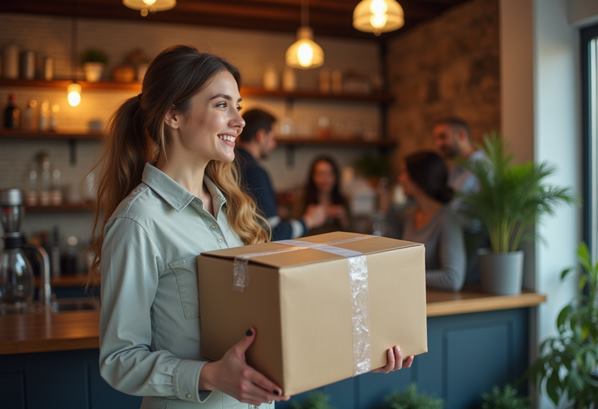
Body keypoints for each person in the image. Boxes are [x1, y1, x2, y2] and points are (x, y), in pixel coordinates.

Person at [92, 45, 412, 409]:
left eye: (238, 106)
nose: (239, 121)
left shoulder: (235, 212)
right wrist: (209, 375)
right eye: (221, 105)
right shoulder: (139, 221)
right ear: (173, 115)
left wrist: (362, 348)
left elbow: (273, 327)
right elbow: (118, 360)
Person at [236, 108, 326, 240]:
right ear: (260, 136)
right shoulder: (255, 171)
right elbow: (273, 234)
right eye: (272, 138)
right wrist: (309, 220)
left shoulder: (231, 164)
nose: (274, 144)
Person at [386, 151, 466, 291]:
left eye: (404, 172)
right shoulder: (410, 215)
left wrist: (406, 275)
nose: (400, 178)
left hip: (439, 305)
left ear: (420, 178)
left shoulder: (446, 219)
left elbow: (453, 278)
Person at [433, 117, 487, 216]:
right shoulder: (454, 169)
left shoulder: (484, 167)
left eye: (443, 137)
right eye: (436, 139)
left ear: (462, 135)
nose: (438, 144)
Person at [300, 155, 351, 235]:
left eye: (329, 174)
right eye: (320, 174)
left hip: (337, 244)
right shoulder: (302, 199)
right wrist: (307, 219)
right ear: (313, 177)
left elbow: (352, 233)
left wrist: (343, 218)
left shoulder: (343, 200)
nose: (325, 178)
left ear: (335, 177)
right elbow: (296, 232)